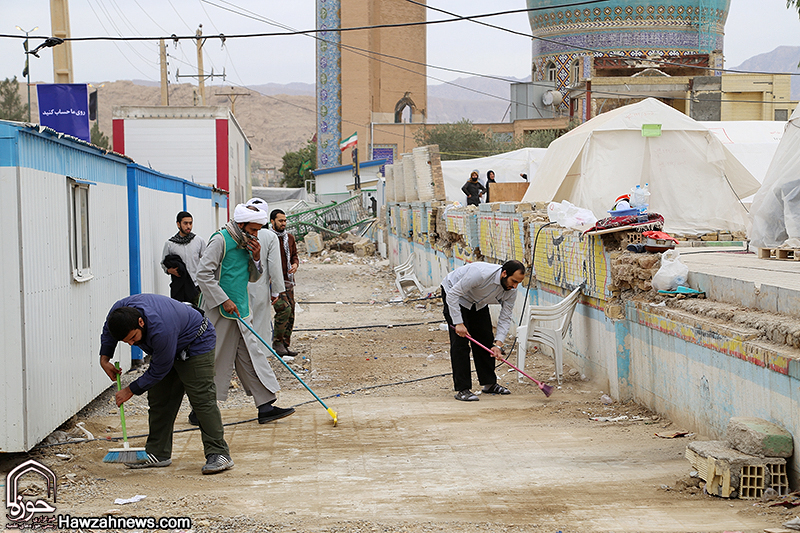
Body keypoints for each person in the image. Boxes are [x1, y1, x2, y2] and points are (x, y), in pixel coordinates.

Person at [98, 293, 234, 475]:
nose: (131, 344)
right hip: (169, 343)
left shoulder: (160, 328)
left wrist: (130, 390)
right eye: (126, 341)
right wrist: (104, 358)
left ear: (140, 322)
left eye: (133, 338)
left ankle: (219, 453)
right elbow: (108, 331)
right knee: (160, 400)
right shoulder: (118, 312)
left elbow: (160, 369)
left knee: (202, 400)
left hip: (195, 342)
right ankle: (158, 453)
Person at [195, 204, 295, 425]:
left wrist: (257, 258)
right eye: (253, 229)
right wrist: (223, 300)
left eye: (259, 230)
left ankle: (265, 406)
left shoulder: (247, 244)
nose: (256, 234)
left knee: (252, 356)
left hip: (240, 309)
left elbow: (253, 277)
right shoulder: (220, 240)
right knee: (215, 359)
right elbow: (203, 274)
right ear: (240, 225)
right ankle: (200, 409)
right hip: (219, 311)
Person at [441, 260, 526, 402]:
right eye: (513, 281)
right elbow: (453, 294)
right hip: (455, 295)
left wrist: (498, 345)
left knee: (485, 339)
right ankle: (463, 389)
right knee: (460, 343)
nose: (515, 286)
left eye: (518, 283)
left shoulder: (511, 290)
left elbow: (505, 317)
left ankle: (489, 383)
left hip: (478, 302)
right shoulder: (480, 274)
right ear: (504, 274)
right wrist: (459, 323)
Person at [244, 198, 286, 351]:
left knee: (243, 323)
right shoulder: (269, 236)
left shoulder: (237, 234)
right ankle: (260, 356)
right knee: (260, 324)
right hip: (260, 287)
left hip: (240, 287)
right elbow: (274, 266)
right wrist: (276, 290)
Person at [270, 209, 300, 358]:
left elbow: (294, 255)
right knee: (284, 310)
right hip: (274, 281)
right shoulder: (268, 238)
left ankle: (285, 345)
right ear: (272, 222)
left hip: (288, 280)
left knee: (292, 311)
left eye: (285, 221)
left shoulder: (289, 238)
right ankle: (277, 342)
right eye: (280, 221)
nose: (283, 223)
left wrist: (295, 264)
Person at [161, 211, 206, 304]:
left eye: (190, 223)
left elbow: (206, 259)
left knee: (198, 314)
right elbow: (163, 263)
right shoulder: (170, 244)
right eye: (185, 223)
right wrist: (170, 271)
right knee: (180, 315)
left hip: (196, 286)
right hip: (179, 288)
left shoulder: (199, 241)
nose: (188, 226)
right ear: (178, 224)